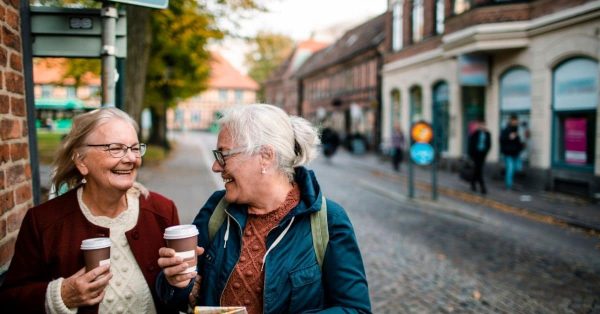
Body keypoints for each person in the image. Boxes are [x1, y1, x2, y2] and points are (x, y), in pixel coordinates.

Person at [156, 104, 371, 313]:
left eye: (224, 155)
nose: (215, 166)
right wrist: (175, 283)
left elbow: (355, 308)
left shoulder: (328, 219)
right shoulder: (217, 209)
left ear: (265, 157)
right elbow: (175, 297)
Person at [0, 108, 181, 314]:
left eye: (134, 148)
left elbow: (180, 296)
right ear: (81, 161)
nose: (131, 158)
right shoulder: (44, 222)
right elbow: (10, 300)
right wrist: (60, 296)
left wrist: (184, 282)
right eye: (116, 148)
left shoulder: (163, 211)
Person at [500, 114, 524, 190]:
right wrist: (509, 137)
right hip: (508, 153)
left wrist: (521, 146)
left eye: (516, 121)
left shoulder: (517, 130)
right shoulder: (506, 130)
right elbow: (501, 140)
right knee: (510, 168)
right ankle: (509, 185)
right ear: (510, 121)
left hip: (515, 153)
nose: (515, 122)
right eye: (514, 121)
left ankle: (510, 182)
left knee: (517, 168)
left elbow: (518, 142)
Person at [467, 119, 491, 194]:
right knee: (479, 170)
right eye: (481, 124)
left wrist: (486, 152)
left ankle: (472, 183)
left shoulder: (487, 134)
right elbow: (471, 144)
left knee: (477, 170)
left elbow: (489, 144)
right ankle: (483, 187)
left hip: (482, 154)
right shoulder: (475, 133)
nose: (482, 126)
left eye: (483, 124)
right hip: (475, 154)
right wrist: (471, 155)